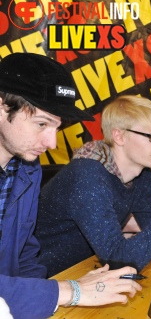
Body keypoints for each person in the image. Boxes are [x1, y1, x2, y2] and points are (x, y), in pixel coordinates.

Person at [0, 52, 141, 319]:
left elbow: (26, 256)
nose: (52, 143)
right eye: (41, 124)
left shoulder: (26, 169)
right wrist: (69, 291)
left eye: (56, 127)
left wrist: (42, 302)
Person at [35, 95, 151, 277]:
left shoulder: (141, 175)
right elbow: (119, 260)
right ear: (119, 136)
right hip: (43, 279)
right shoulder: (88, 176)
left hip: (82, 271)